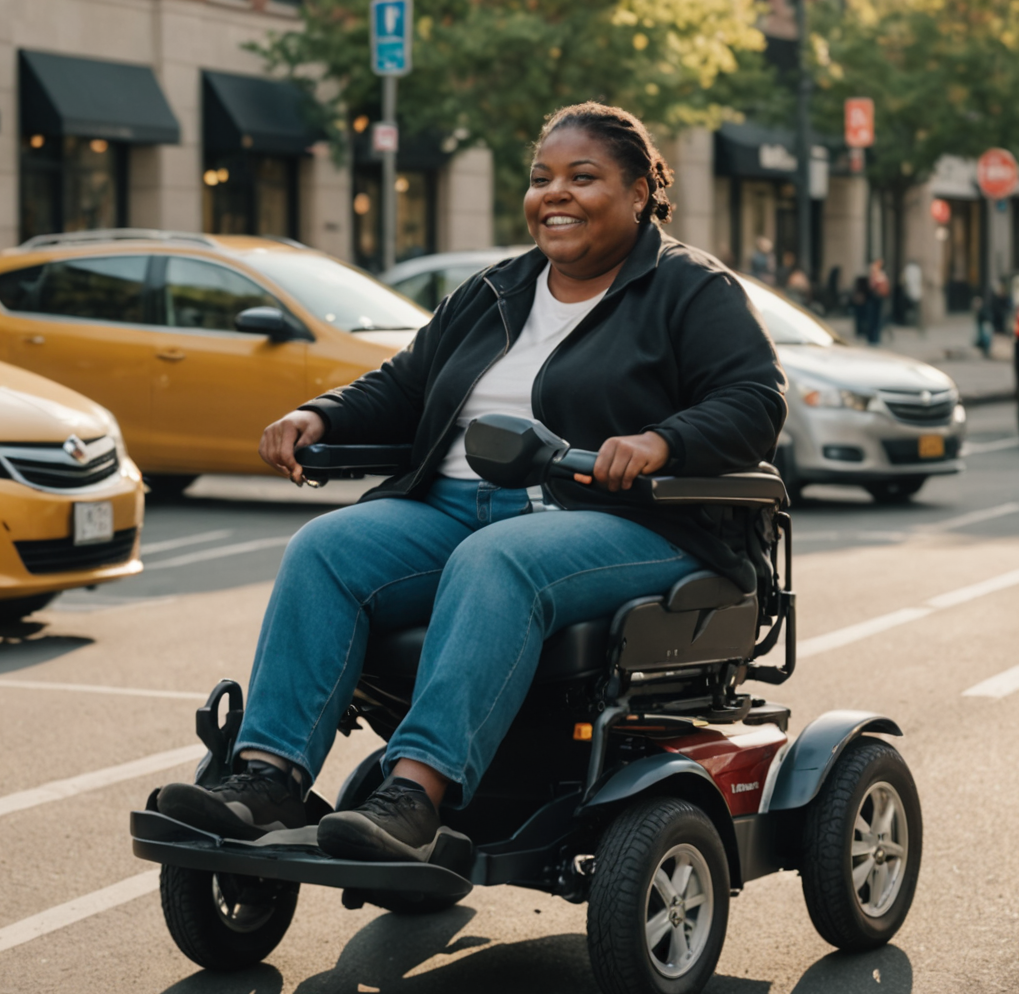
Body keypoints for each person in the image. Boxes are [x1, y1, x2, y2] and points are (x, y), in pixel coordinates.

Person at [152, 102, 786, 864]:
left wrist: (661, 441)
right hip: (456, 509)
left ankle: (414, 793)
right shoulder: (499, 290)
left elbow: (755, 401)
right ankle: (265, 780)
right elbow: (406, 382)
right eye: (541, 178)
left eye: (583, 178)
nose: (555, 193)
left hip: (627, 515)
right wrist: (321, 416)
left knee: (498, 559)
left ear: (641, 192)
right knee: (326, 547)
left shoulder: (688, 289)